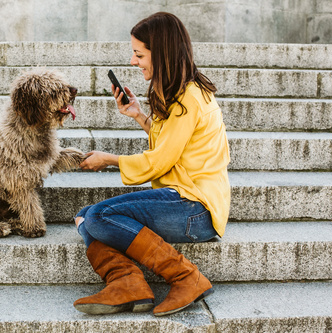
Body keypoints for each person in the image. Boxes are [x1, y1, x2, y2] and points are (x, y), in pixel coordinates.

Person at [73, 12, 231, 317]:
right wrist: (138, 115)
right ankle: (127, 282)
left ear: (162, 53)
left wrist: (109, 160)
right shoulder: (181, 92)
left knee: (100, 215)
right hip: (184, 200)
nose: (133, 62)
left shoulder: (190, 97)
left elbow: (160, 160)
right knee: (85, 216)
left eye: (139, 54)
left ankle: (186, 277)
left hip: (195, 208)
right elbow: (171, 145)